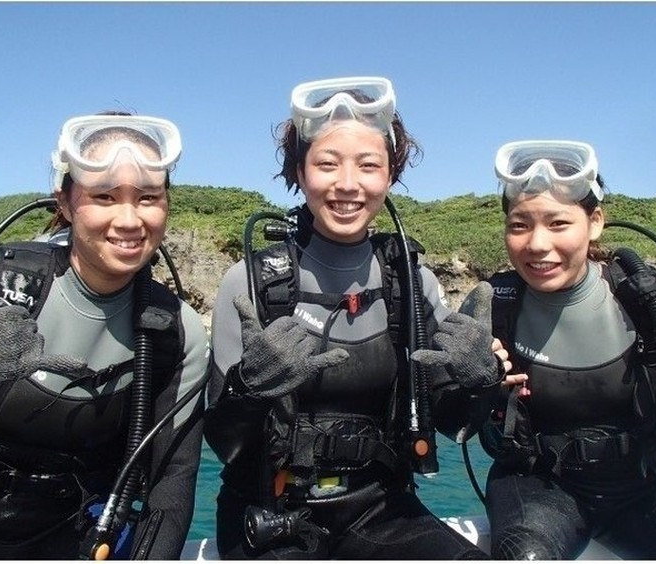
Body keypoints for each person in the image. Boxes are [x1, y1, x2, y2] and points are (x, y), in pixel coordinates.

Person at [204, 76, 507, 559]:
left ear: (390, 175)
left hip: (380, 507)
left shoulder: (411, 282)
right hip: (268, 514)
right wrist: (249, 389)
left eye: (368, 166)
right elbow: (225, 445)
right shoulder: (251, 282)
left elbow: (454, 425)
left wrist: (481, 381)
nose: (348, 184)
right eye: (327, 164)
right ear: (300, 172)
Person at [0, 113, 210, 559]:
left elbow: (171, 487)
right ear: (63, 202)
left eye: (148, 198)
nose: (129, 219)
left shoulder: (176, 330)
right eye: (104, 196)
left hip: (79, 542)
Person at [480, 139, 656, 559]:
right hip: (538, 487)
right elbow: (451, 421)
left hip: (648, 485)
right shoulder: (492, 305)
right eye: (519, 225)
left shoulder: (650, 297)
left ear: (594, 222)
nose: (537, 244)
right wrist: (474, 383)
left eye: (558, 223)